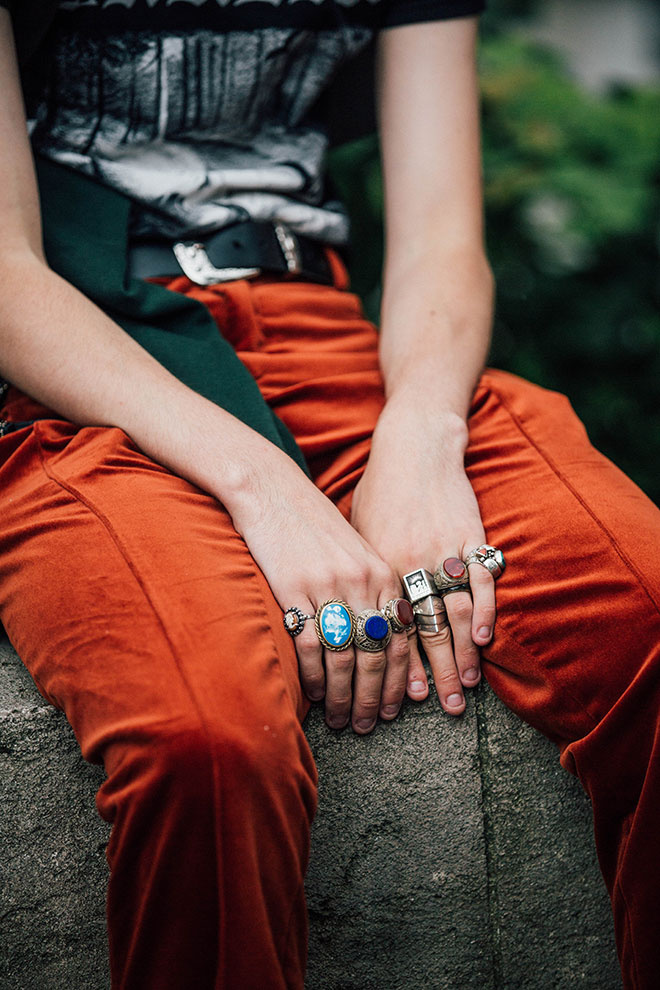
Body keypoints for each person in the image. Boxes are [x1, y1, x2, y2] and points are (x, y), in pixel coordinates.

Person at [0, 1, 658, 988]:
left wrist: (422, 435)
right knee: (207, 736)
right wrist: (264, 485)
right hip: (86, 359)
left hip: (332, 333)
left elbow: (442, 236)